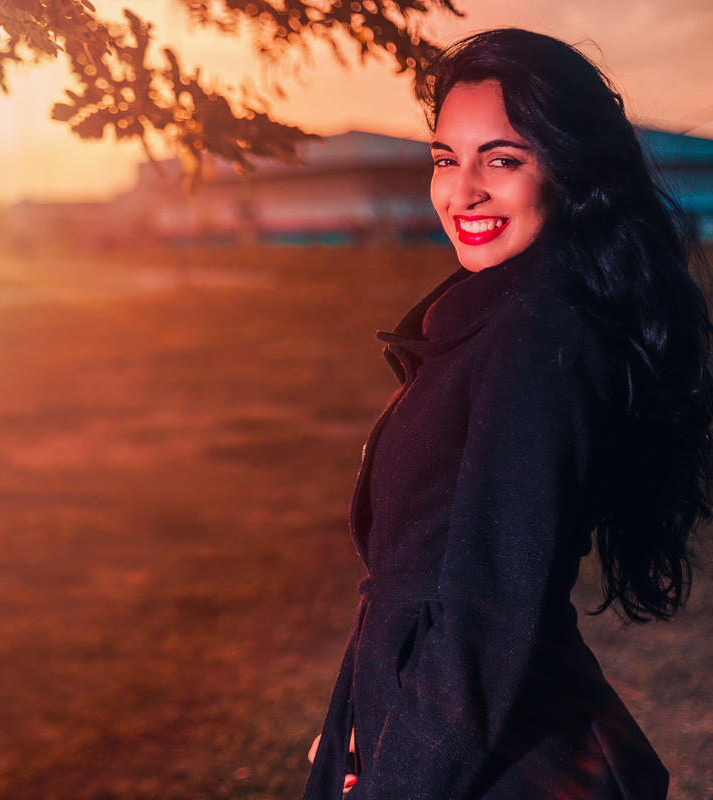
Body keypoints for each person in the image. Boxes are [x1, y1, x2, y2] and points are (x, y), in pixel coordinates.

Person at [302, 28, 713, 800]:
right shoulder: (496, 314)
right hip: (428, 722)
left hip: (488, 762)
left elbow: (484, 614)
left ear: (569, 167)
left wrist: (400, 775)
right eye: (445, 159)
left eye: (502, 159)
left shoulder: (542, 334)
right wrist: (359, 712)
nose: (462, 193)